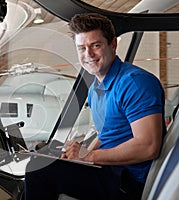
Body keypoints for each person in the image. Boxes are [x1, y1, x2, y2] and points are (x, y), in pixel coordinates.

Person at [24, 13, 166, 200]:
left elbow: (148, 147)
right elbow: (105, 134)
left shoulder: (135, 83)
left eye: (96, 45)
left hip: (128, 182)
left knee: (38, 170)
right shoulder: (95, 89)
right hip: (109, 171)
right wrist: (81, 156)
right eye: (81, 48)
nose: (88, 55)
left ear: (113, 44)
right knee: (46, 159)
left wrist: (88, 157)